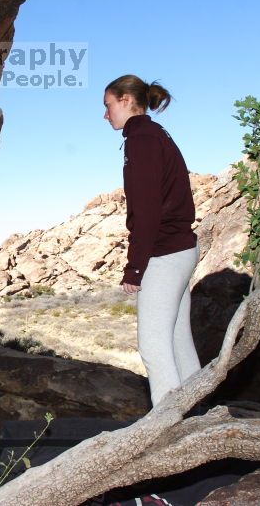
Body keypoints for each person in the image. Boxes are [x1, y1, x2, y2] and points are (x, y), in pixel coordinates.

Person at [103, 74, 201, 406]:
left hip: (165, 253)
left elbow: (146, 211)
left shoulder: (142, 140)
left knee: (153, 345)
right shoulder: (154, 134)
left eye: (108, 106)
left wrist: (134, 268)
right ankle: (196, 413)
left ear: (127, 101)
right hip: (181, 247)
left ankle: (166, 429)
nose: (106, 115)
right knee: (177, 338)